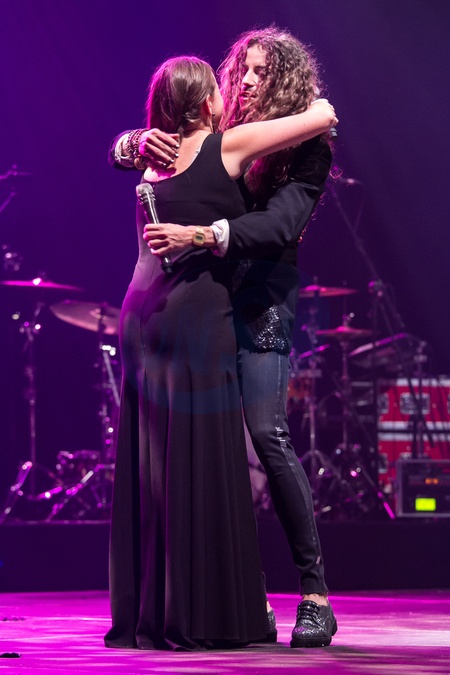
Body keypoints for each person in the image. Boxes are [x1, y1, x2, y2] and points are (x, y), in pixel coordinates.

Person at [110, 28, 339, 649]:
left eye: (263, 72)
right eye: (243, 70)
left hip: (259, 300)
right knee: (209, 450)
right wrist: (131, 142)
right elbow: (155, 158)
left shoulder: (308, 146)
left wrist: (205, 235)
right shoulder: (220, 129)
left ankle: (315, 595)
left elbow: (280, 224)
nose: (249, 81)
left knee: (265, 433)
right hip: (204, 303)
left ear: (286, 79)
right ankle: (240, 595)